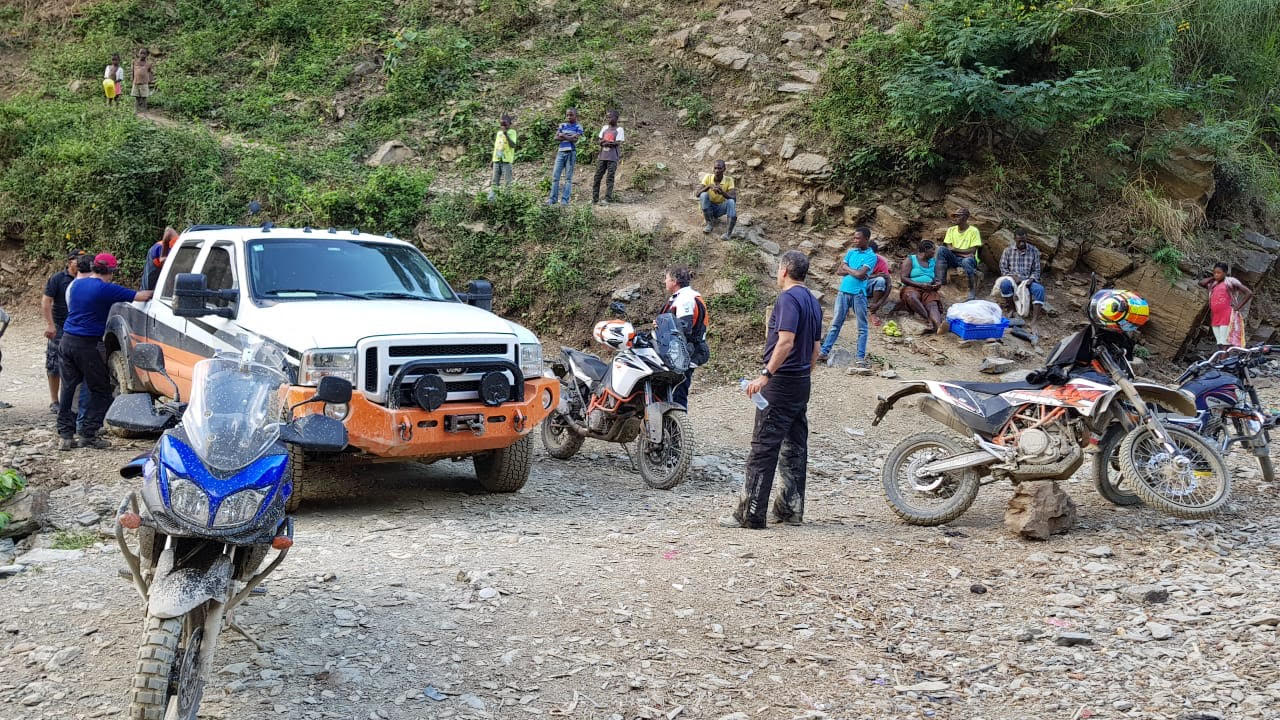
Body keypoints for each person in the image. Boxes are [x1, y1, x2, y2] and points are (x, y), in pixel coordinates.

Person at [720, 250, 822, 529]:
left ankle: (750, 514)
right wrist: (804, 373)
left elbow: (786, 341)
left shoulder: (788, 299)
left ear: (785, 270)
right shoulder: (813, 301)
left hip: (781, 383)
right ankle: (790, 508)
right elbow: (816, 349)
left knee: (763, 447)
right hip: (801, 383)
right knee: (794, 446)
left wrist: (766, 375)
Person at [58, 253, 154, 450]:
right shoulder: (106, 289)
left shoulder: (75, 285)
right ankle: (88, 433)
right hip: (88, 345)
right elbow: (141, 297)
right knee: (101, 390)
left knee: (68, 389)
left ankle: (65, 435)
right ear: (110, 272)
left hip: (66, 341)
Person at [818, 226, 876, 367]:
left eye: (858, 238)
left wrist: (848, 269)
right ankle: (824, 352)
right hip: (843, 292)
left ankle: (860, 357)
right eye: (854, 237)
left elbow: (860, 274)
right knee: (836, 323)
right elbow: (839, 271)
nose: (854, 240)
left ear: (866, 239)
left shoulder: (871, 256)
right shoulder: (851, 252)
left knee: (862, 327)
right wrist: (855, 271)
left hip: (858, 294)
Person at [43, 251, 89, 413]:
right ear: (70, 261)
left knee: (75, 367)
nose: (81, 262)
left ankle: (71, 403)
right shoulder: (58, 279)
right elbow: (46, 301)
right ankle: (54, 400)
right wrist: (50, 324)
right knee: (53, 364)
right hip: (60, 327)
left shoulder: (87, 278)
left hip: (78, 328)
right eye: (79, 260)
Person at [658, 266, 708, 409]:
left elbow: (684, 328)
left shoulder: (685, 298)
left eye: (666, 278)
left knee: (677, 393)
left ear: (674, 281)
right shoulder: (683, 296)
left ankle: (678, 429)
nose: (664, 281)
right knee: (674, 392)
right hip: (683, 351)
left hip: (685, 352)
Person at [1199, 262, 1253, 350]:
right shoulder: (1213, 284)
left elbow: (1249, 293)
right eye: (1214, 272)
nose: (1216, 274)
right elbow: (1201, 283)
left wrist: (1238, 307)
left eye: (1219, 273)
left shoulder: (1230, 282)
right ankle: (1222, 361)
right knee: (1220, 342)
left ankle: (1222, 362)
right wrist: (1214, 277)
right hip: (1215, 316)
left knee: (1225, 342)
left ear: (1225, 273)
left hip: (1227, 315)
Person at [997, 228, 1046, 322]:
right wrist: (1013, 277)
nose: (1022, 243)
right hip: (1013, 278)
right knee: (1005, 284)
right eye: (1019, 241)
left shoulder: (1034, 251)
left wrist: (1031, 279)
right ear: (1015, 239)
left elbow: (1037, 270)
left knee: (1040, 290)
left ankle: (1034, 320)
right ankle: (1012, 309)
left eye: (1024, 240)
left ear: (1026, 239)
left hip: (1027, 280)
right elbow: (1003, 268)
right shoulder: (1008, 250)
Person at [899, 240, 946, 334]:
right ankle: (928, 319)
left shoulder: (933, 262)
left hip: (928, 288)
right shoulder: (911, 259)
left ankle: (938, 326)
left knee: (932, 304)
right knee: (911, 297)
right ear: (926, 250)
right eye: (933, 250)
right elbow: (903, 278)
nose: (934, 252)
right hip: (912, 287)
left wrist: (937, 283)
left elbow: (937, 278)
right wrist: (920, 285)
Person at [936, 207, 982, 299]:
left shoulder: (973, 231)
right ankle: (941, 281)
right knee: (941, 249)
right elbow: (948, 247)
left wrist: (955, 250)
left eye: (958, 216)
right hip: (955, 258)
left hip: (969, 260)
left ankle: (972, 290)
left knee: (966, 261)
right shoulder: (951, 230)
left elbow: (972, 250)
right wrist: (961, 251)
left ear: (965, 217)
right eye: (954, 216)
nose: (955, 218)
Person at [548, 108, 583, 205]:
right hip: (561, 152)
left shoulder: (578, 126)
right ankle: (552, 199)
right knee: (555, 177)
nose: (568, 117)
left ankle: (564, 201)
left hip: (571, 152)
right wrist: (569, 137)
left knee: (568, 178)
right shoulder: (562, 125)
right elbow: (556, 137)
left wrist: (563, 135)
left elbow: (575, 140)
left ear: (576, 116)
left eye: (571, 115)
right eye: (567, 115)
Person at [697, 160, 737, 240]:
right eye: (715, 168)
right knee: (704, 195)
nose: (717, 171)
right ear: (713, 169)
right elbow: (697, 194)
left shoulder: (729, 180)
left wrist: (722, 192)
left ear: (724, 169)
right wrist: (708, 186)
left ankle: (728, 233)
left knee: (731, 202)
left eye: (719, 168)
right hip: (708, 206)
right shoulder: (708, 177)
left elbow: (734, 198)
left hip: (719, 208)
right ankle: (709, 224)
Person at [592, 110, 625, 206]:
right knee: (597, 177)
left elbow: (618, 142)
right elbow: (599, 140)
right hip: (602, 156)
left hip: (613, 157)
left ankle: (607, 199)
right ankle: (595, 199)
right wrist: (605, 142)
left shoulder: (619, 129)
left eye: (610, 117)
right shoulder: (605, 128)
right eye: (607, 117)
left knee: (609, 178)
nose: (608, 119)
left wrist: (606, 142)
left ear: (616, 118)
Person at [487, 114, 519, 200]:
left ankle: (507, 200)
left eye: (505, 124)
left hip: (506, 161)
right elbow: (496, 147)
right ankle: (491, 200)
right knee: (494, 182)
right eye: (502, 125)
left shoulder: (512, 132)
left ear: (509, 124)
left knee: (507, 182)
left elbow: (513, 145)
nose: (503, 126)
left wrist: (506, 135)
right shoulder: (499, 133)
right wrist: (492, 160)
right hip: (497, 160)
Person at [141, 226, 178, 292]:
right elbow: (168, 230)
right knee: (147, 288)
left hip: (170, 262)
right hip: (157, 254)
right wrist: (163, 255)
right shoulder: (183, 243)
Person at [866, 240, 892, 326]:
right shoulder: (859, 258)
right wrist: (874, 276)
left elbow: (889, 284)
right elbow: (855, 275)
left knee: (881, 280)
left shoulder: (881, 261)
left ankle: (873, 312)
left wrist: (879, 303)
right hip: (858, 286)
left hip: (870, 287)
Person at [131, 48, 153, 113]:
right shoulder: (134, 62)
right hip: (136, 82)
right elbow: (132, 71)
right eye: (141, 53)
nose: (142, 55)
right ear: (138, 54)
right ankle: (136, 109)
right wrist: (132, 79)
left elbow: (150, 72)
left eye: (144, 53)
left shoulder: (148, 64)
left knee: (144, 97)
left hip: (144, 83)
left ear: (147, 55)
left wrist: (150, 80)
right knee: (136, 97)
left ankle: (144, 110)